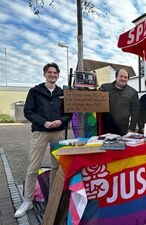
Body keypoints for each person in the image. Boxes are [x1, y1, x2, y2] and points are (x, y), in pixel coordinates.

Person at [14, 62, 72, 218]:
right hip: (40, 132)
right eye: (50, 72)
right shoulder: (35, 91)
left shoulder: (62, 93)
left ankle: (53, 196)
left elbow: (69, 113)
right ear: (45, 74)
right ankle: (27, 200)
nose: (52, 75)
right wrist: (44, 122)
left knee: (56, 167)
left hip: (58, 133)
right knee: (33, 167)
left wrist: (61, 121)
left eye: (55, 73)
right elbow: (28, 111)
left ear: (58, 75)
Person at [101, 68, 139, 136]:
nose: (123, 79)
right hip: (104, 127)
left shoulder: (133, 92)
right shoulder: (105, 88)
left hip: (122, 129)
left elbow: (135, 112)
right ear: (116, 77)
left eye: (125, 77)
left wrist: (131, 128)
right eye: (121, 76)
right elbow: (95, 100)